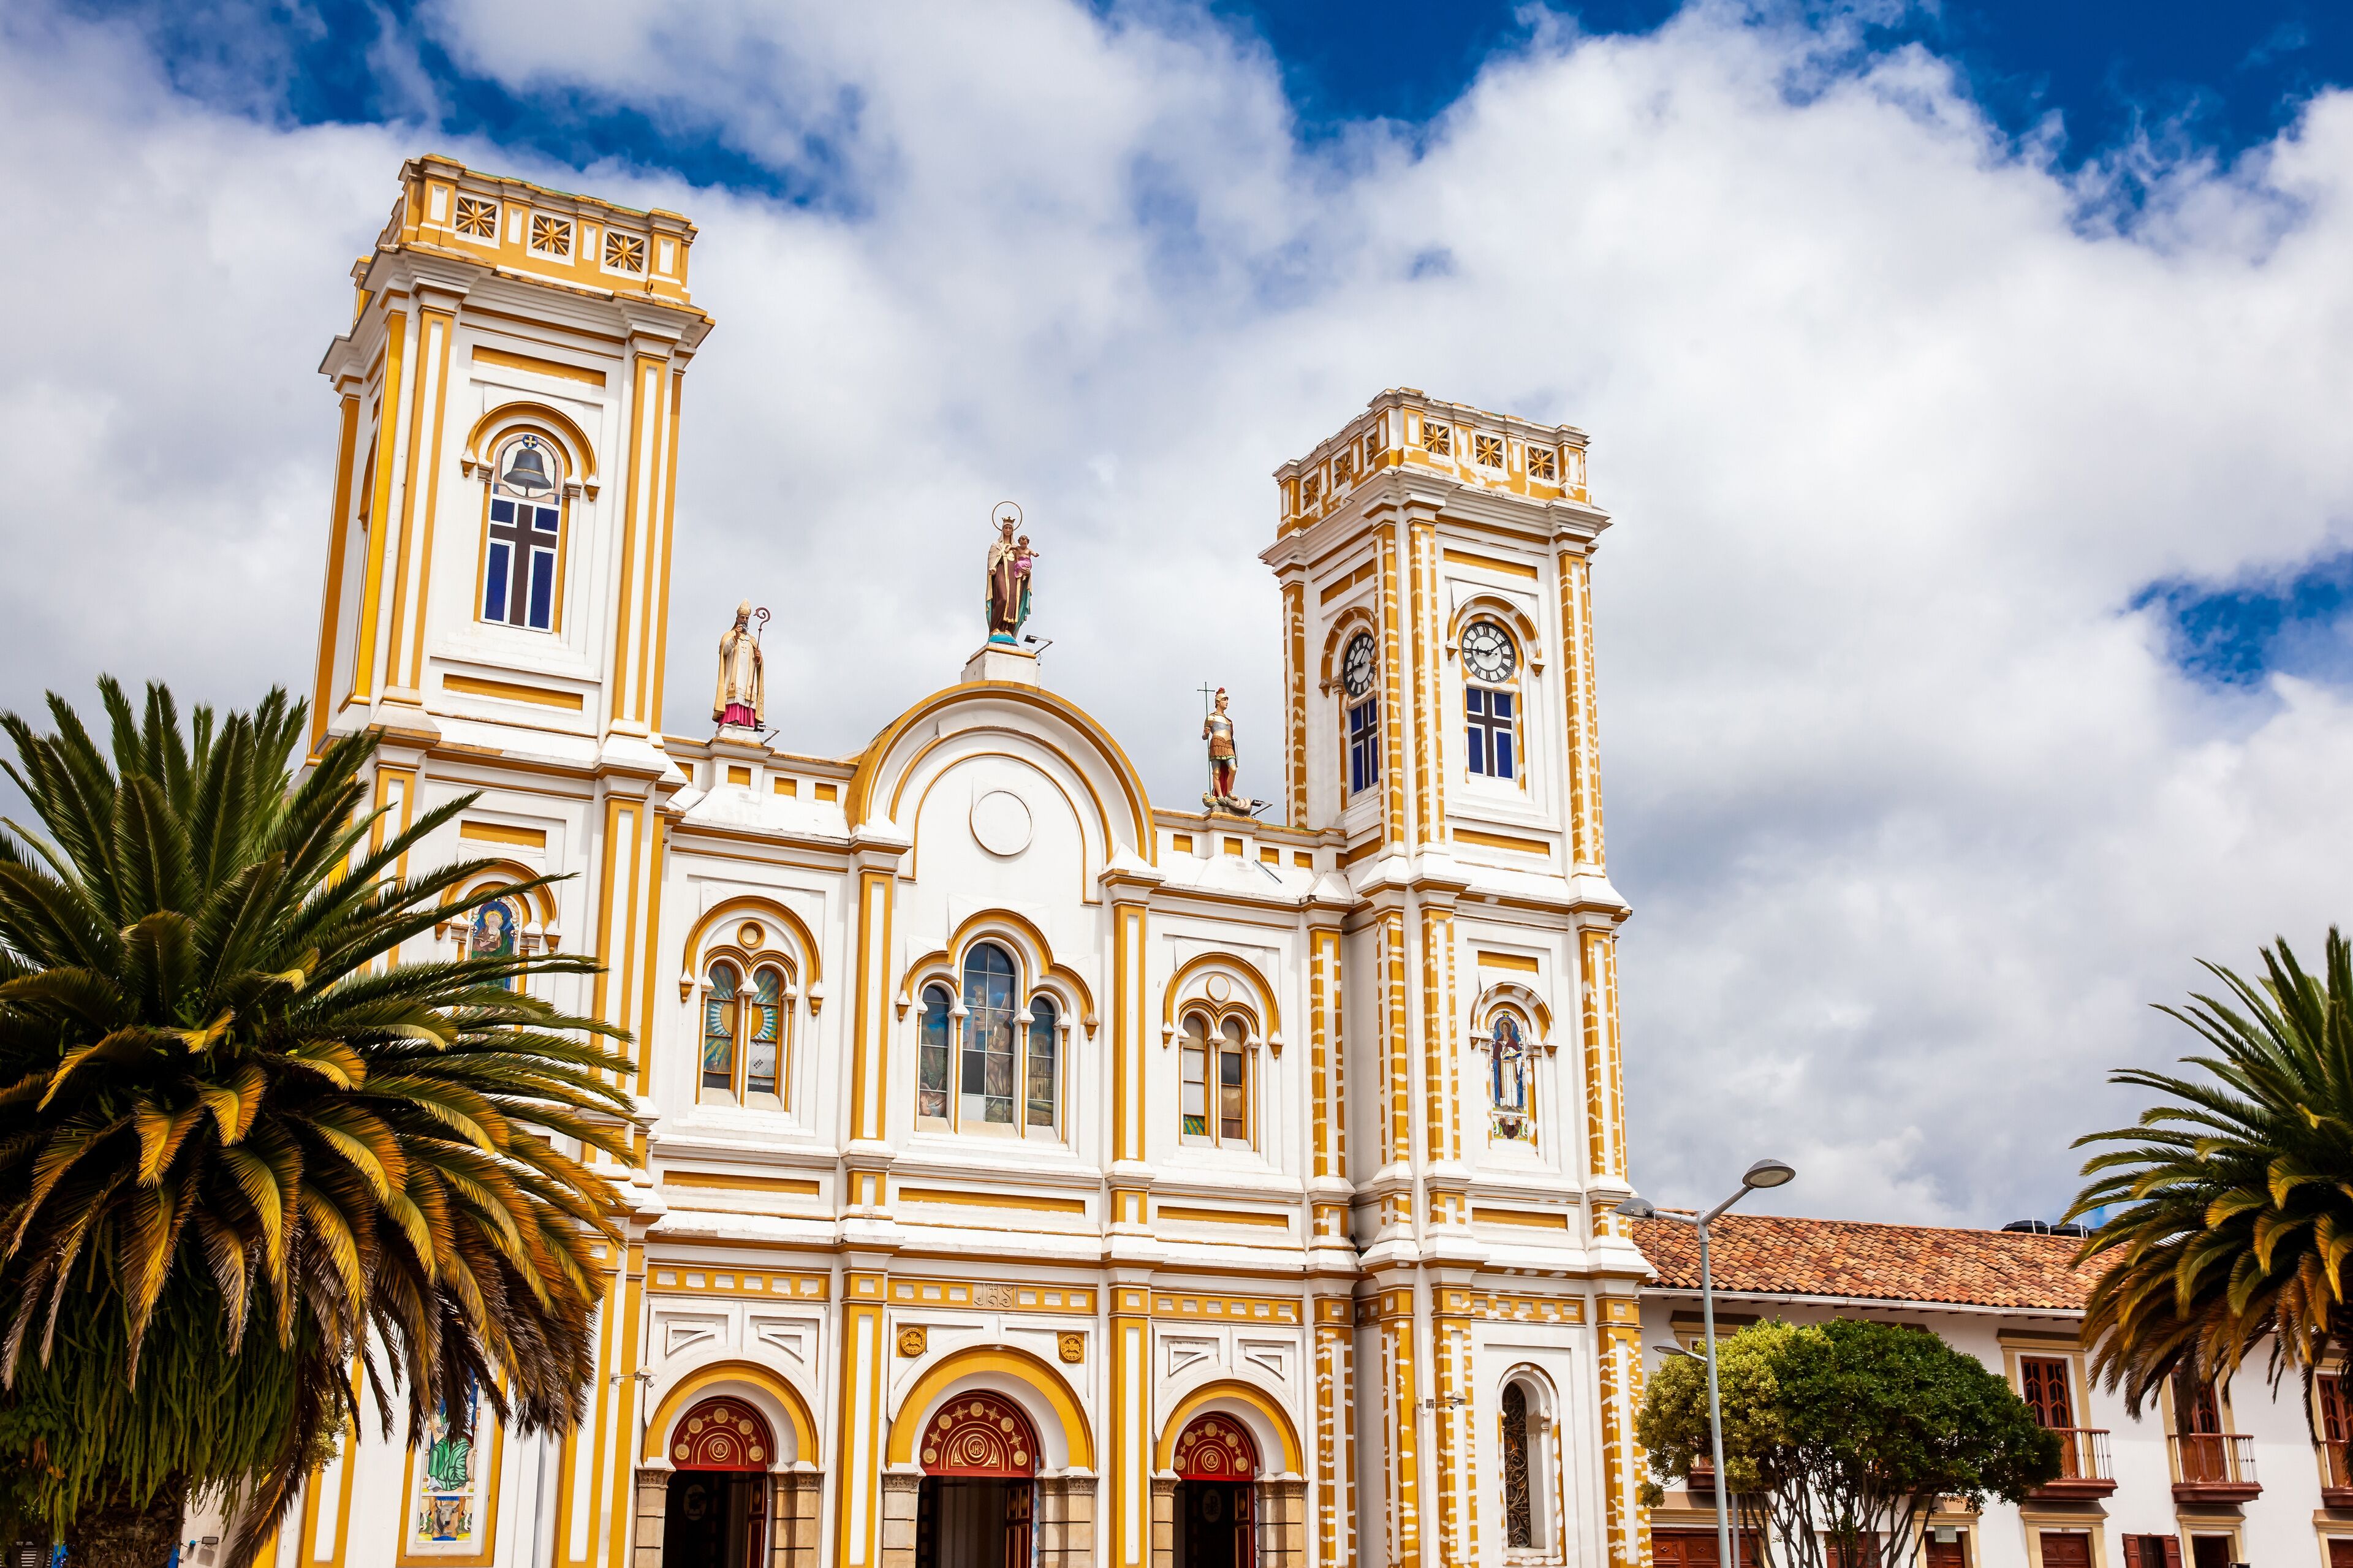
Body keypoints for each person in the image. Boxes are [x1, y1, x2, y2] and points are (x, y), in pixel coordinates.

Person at [713, 600, 764, 728]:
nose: (745, 620)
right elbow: (724, 651)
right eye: (743, 617)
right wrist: (735, 638)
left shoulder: (752, 640)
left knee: (748, 696)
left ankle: (746, 721)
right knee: (734, 694)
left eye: (747, 618)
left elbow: (758, 665)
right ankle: (732, 719)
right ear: (737, 618)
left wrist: (759, 659)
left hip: (747, 677)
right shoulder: (729, 635)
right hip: (734, 674)